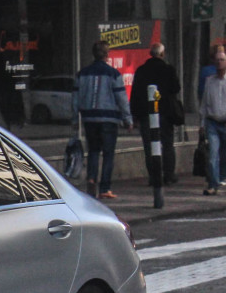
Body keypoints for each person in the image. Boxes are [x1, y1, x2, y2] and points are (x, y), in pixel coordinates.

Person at [74, 41, 133, 199]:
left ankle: (92, 179)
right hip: (109, 119)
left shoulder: (82, 74)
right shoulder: (113, 74)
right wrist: (128, 119)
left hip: (89, 118)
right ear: (107, 55)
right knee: (108, 154)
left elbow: (76, 98)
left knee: (93, 150)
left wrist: (75, 118)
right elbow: (121, 98)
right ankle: (105, 188)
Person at [130, 43, 182, 204]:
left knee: (149, 145)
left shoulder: (141, 71)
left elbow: (135, 94)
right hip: (165, 113)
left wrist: (136, 115)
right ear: (162, 54)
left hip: (146, 114)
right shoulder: (168, 69)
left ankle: (154, 176)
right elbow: (176, 88)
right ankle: (168, 175)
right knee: (167, 144)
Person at [200, 46, 226, 196]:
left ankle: (222, 176)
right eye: (217, 60)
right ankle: (213, 184)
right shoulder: (210, 81)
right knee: (212, 155)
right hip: (212, 123)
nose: (219, 63)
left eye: (222, 60)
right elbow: (204, 103)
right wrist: (202, 124)